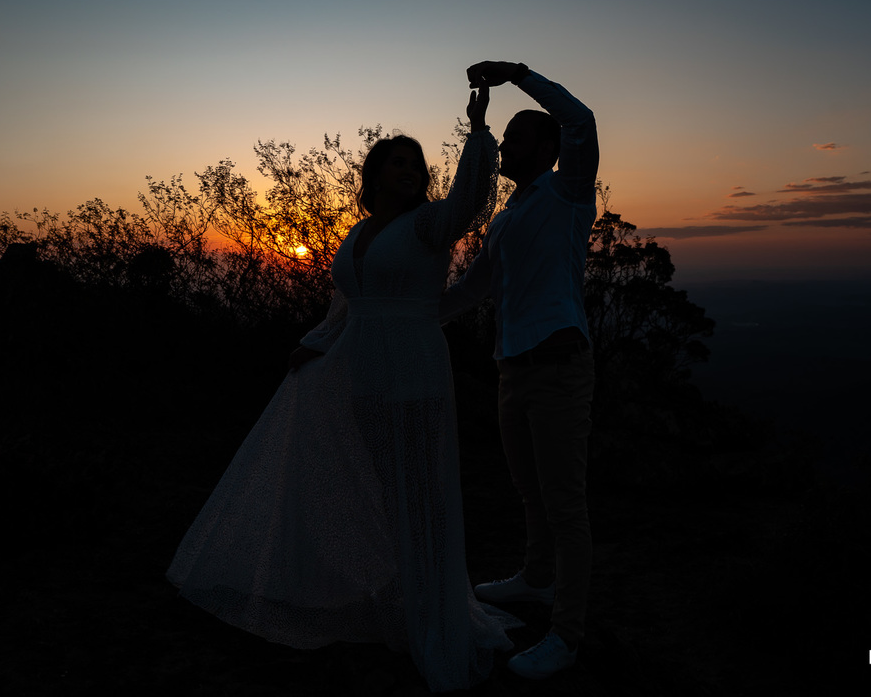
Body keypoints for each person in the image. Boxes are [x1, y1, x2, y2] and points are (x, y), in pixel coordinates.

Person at [167, 85, 519, 692]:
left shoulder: (429, 225)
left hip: (414, 365)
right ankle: (409, 596)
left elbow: (467, 200)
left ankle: (436, 614)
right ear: (375, 172)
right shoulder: (356, 234)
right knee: (388, 491)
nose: (409, 171)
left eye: (417, 165)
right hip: (365, 371)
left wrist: (479, 131)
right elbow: (345, 310)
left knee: (424, 496)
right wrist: (317, 343)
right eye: (398, 161)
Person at [440, 61, 599, 680]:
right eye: (502, 138)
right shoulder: (504, 220)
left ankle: (567, 635)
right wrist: (405, 319)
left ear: (547, 148)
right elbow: (475, 288)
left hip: (560, 369)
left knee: (565, 505)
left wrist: (517, 73)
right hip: (514, 371)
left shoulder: (567, 193)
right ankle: (536, 580)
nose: (505, 145)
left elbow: (580, 120)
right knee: (531, 491)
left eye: (514, 137)